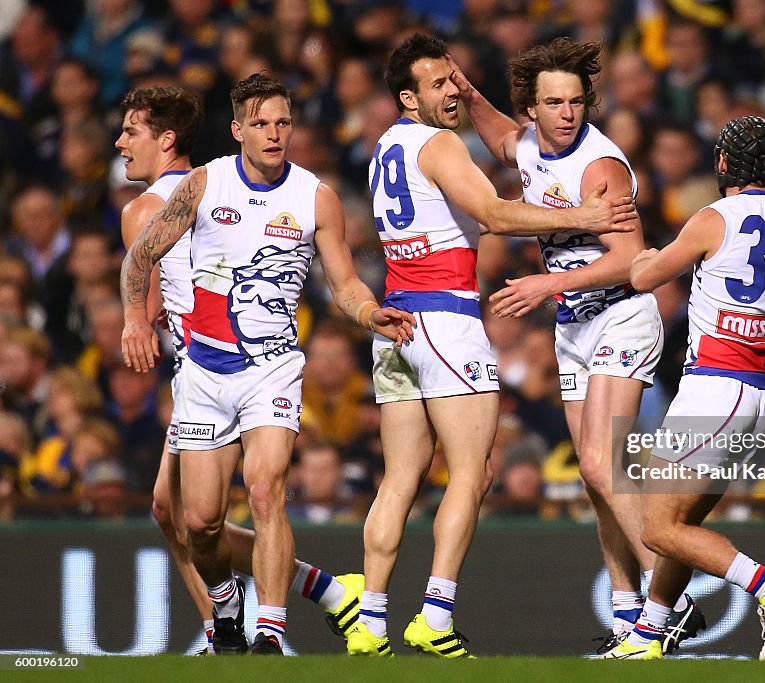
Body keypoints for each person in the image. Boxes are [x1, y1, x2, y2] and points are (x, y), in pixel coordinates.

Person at [349, 34, 637, 659]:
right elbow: (494, 213)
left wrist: (475, 94)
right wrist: (587, 219)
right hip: (446, 320)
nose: (450, 93)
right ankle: (434, 613)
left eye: (454, 82)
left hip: (394, 320)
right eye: (437, 85)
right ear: (409, 96)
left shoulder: (382, 148)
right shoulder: (438, 144)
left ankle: (370, 619)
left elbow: (504, 151)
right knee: (472, 473)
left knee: (399, 479)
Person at [119, 75, 415, 656]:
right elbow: (143, 256)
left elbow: (344, 281)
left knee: (265, 488)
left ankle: (269, 632)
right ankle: (240, 603)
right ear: (238, 131)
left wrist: (368, 312)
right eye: (261, 123)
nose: (274, 133)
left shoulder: (315, 196)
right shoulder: (205, 184)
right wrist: (134, 317)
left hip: (273, 365)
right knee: (196, 522)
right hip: (203, 370)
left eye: (283, 122)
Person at [450, 37, 704, 653]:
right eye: (553, 103)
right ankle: (626, 615)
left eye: (575, 102)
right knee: (596, 481)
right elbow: (503, 141)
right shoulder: (531, 143)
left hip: (622, 316)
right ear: (532, 108)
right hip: (573, 328)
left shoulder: (601, 168)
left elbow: (628, 259)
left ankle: (670, 598)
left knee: (599, 462)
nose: (567, 113)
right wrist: (468, 93)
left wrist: (547, 283)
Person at [603, 115, 765, 660]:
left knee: (657, 528)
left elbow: (644, 279)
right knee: (684, 522)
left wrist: (643, 253)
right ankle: (651, 631)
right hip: (757, 396)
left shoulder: (711, 218)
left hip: (713, 389)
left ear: (723, 164)